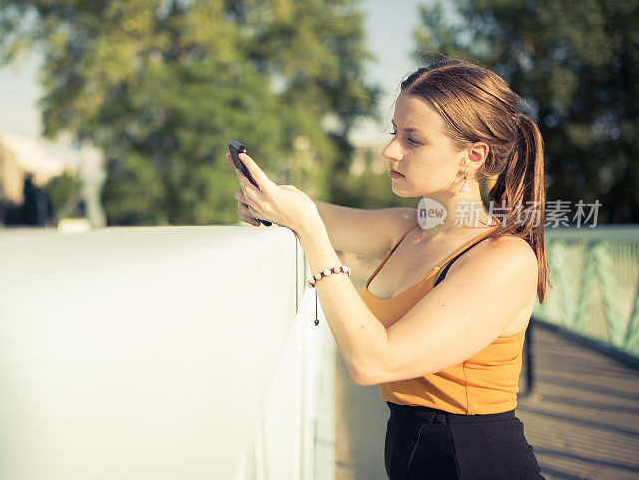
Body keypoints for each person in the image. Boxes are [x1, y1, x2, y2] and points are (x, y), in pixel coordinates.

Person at [227, 59, 547, 479]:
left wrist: (310, 233)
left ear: (472, 157)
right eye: (394, 132)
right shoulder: (408, 228)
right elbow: (303, 212)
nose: (390, 150)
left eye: (413, 139)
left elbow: (373, 362)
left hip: (471, 459)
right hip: (410, 450)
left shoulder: (503, 258)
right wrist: (266, 203)